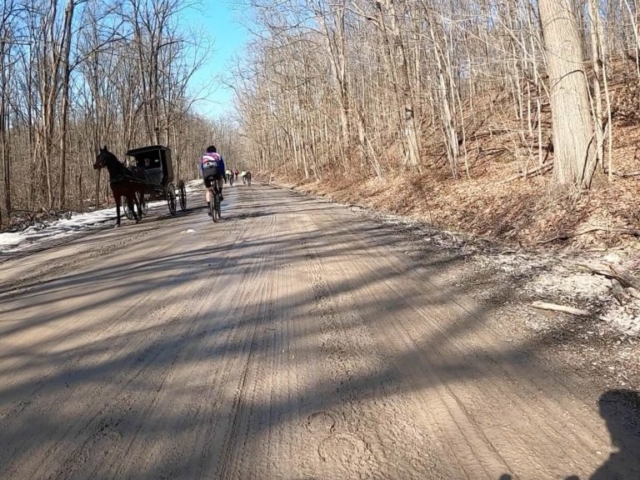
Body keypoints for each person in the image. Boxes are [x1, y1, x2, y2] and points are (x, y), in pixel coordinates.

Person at [200, 145, 224, 212]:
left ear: (207, 151)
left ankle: (209, 207)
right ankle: (220, 192)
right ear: (215, 150)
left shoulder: (204, 157)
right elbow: (222, 166)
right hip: (215, 171)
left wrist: (204, 176)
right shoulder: (218, 155)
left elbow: (202, 167)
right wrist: (223, 175)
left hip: (206, 173)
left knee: (208, 190)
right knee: (220, 179)